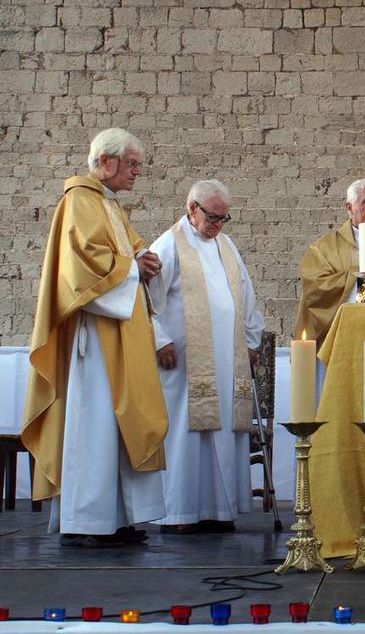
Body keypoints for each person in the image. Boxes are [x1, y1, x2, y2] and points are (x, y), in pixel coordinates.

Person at [21, 128, 168, 548]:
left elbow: (126, 254)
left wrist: (144, 259)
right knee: (96, 426)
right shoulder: (79, 201)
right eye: (133, 163)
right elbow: (84, 267)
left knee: (121, 425)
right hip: (96, 338)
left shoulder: (110, 205)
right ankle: (87, 522)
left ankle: (119, 518)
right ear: (106, 162)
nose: (138, 172)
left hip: (121, 331)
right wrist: (134, 268)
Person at [148, 180, 266, 533]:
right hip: (184, 362)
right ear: (192, 208)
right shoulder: (169, 244)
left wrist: (250, 341)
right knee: (187, 434)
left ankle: (219, 510)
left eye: (224, 218)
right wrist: (159, 340)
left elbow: (245, 297)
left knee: (225, 430)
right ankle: (180, 513)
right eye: (213, 217)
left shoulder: (226, 246)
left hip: (227, 361)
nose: (218, 225)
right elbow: (147, 298)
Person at [295, 178, 365, 345]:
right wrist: (361, 279)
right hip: (340, 338)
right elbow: (315, 288)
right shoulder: (323, 249)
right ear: (349, 207)